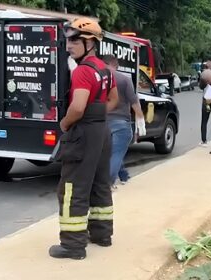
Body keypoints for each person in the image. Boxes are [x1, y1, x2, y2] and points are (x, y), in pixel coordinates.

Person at [49, 17, 119, 259]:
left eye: (74, 41)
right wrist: (97, 116)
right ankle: (102, 235)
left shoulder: (82, 71)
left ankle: (72, 245)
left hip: (84, 133)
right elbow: (113, 100)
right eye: (67, 41)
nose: (69, 46)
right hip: (102, 131)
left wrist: (65, 123)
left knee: (72, 187)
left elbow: (77, 107)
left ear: (90, 43)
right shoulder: (105, 70)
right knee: (100, 184)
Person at [104, 55, 146, 188]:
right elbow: (134, 102)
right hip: (121, 122)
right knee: (116, 153)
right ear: (115, 65)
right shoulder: (124, 79)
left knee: (113, 151)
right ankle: (107, 184)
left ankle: (123, 176)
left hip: (102, 122)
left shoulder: (98, 78)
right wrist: (140, 120)